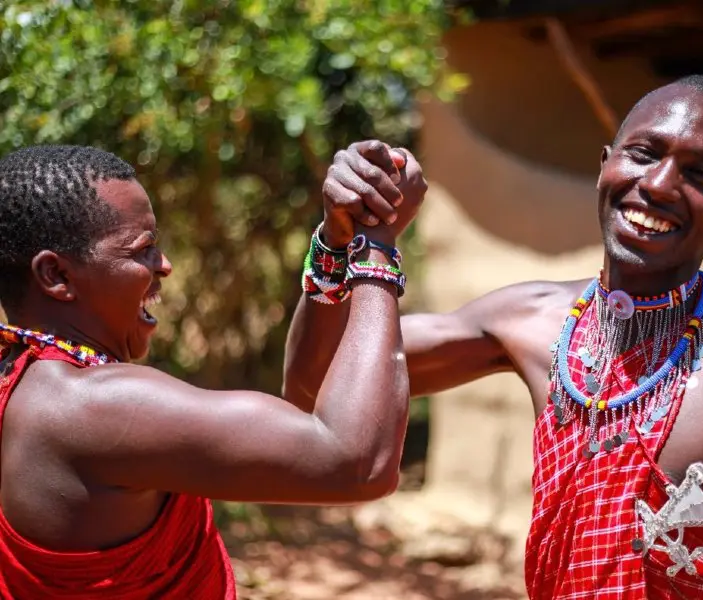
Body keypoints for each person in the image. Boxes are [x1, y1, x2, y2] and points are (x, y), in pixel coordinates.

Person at [284, 75, 703, 599]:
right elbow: (314, 382)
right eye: (644, 154)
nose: (661, 185)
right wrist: (338, 241)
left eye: (700, 174)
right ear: (605, 166)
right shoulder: (533, 319)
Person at [0, 144, 415, 598]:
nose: (164, 265)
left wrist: (335, 246)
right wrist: (374, 246)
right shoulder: (91, 406)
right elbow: (358, 463)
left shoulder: (22, 383)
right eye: (143, 249)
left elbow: (306, 401)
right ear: (56, 276)